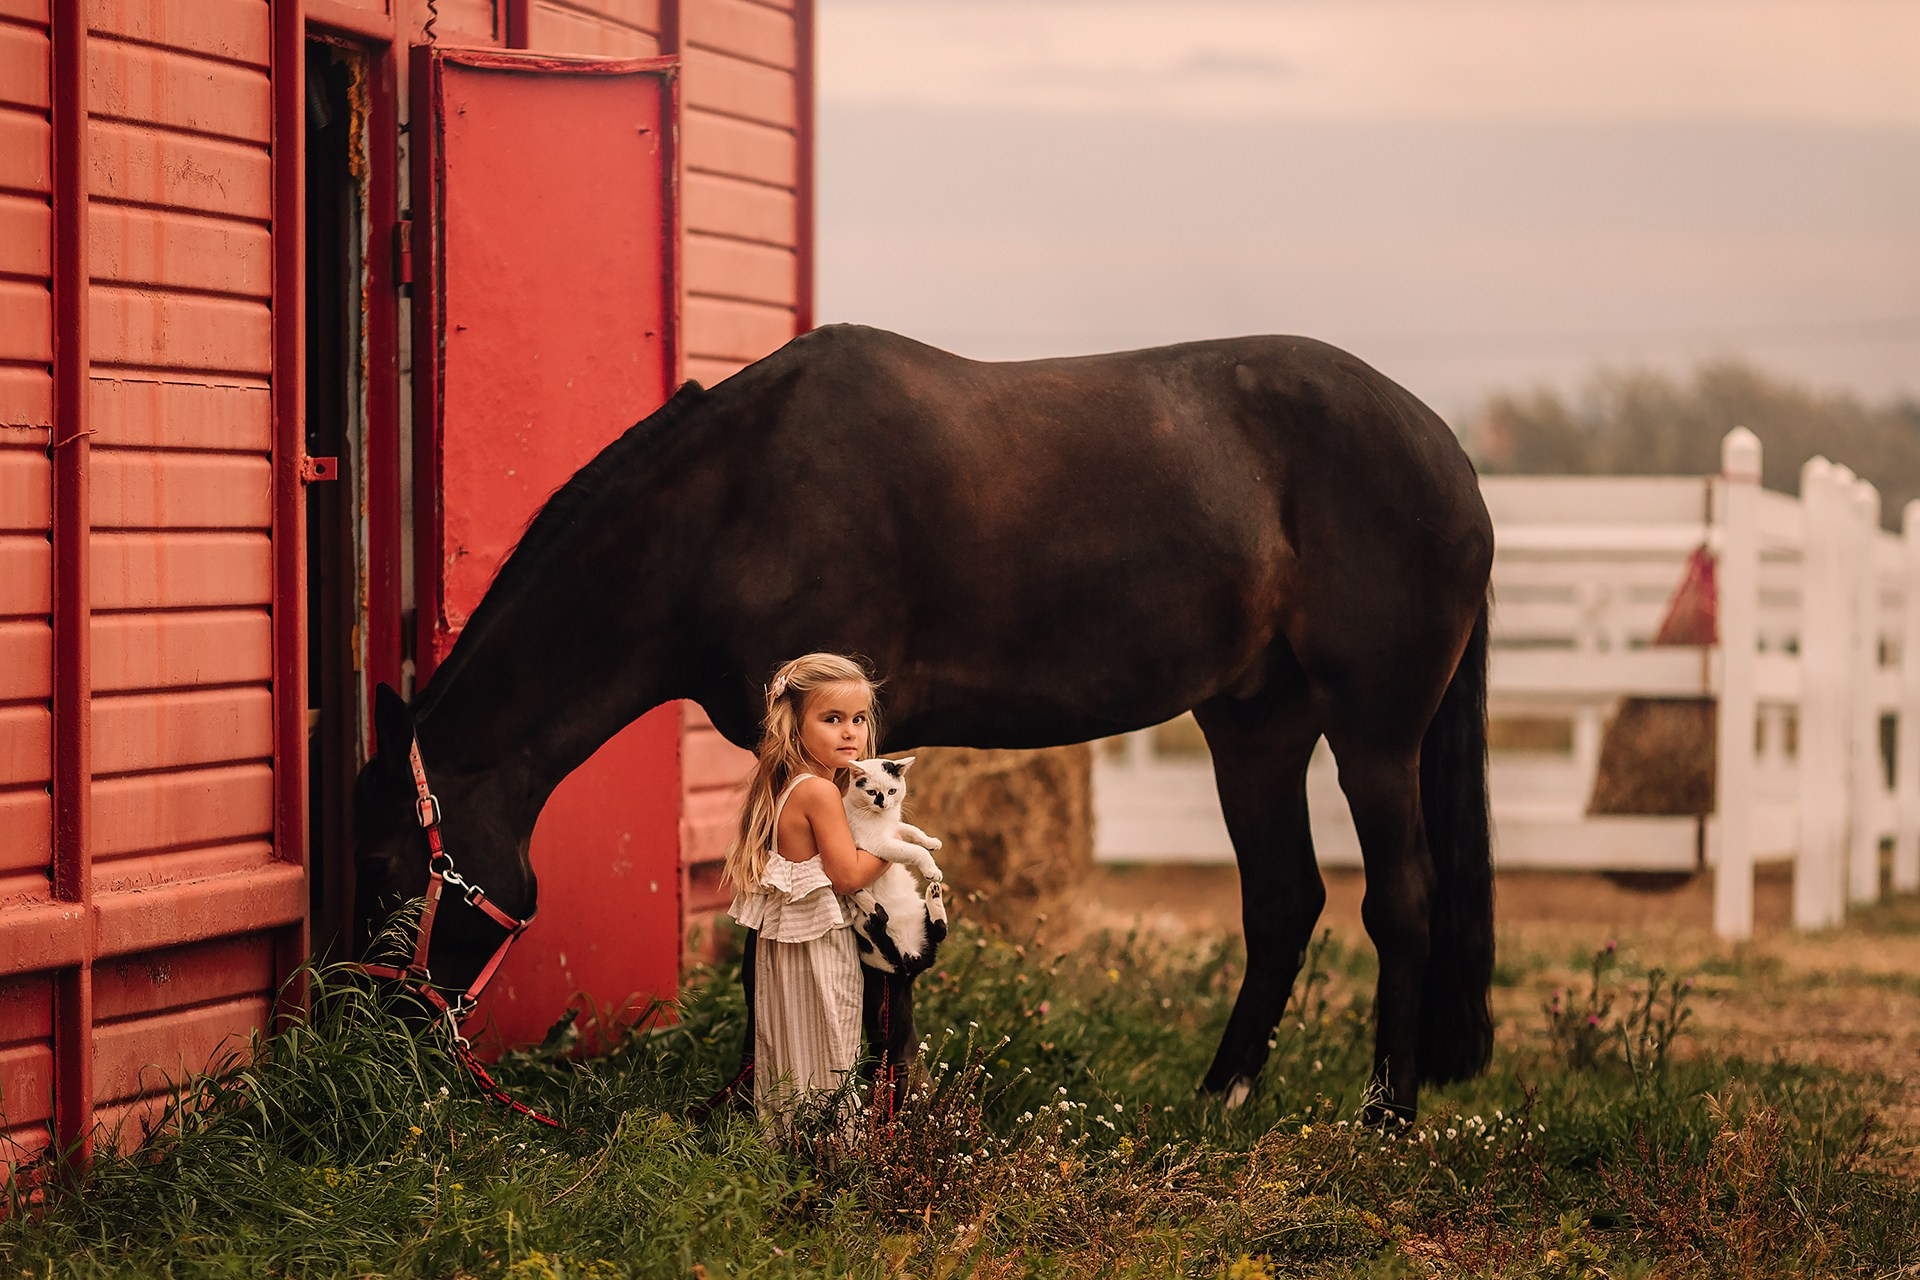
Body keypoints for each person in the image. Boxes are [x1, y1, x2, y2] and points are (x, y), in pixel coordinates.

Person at [724, 652, 890, 1132]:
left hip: (791, 946)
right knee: (832, 1044)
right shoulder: (818, 792)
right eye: (831, 719)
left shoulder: (790, 783)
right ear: (794, 726)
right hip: (817, 945)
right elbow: (848, 875)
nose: (850, 732)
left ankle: (788, 1147)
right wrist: (893, 844)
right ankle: (831, 1155)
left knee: (792, 1048)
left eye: (858, 719)